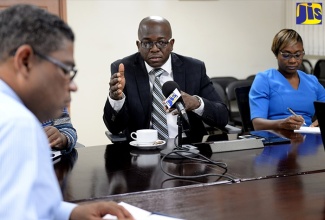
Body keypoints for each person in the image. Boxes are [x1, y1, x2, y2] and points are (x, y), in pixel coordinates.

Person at [0, 4, 133, 220]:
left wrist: (72, 213)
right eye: (65, 70)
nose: (73, 86)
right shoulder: (16, 123)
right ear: (25, 61)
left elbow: (30, 204)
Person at [103, 16, 228, 143]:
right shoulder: (125, 70)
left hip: (189, 148)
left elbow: (222, 117)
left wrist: (196, 103)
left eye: (161, 42)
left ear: (171, 44)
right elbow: (114, 128)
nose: (154, 49)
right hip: (143, 149)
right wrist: (116, 100)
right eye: (147, 43)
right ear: (138, 45)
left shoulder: (194, 68)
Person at [249, 29, 325, 131]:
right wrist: (282, 124)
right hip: (277, 139)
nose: (293, 60)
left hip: (309, 137)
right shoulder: (264, 79)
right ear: (276, 54)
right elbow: (257, 124)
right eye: (286, 55)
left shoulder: (312, 81)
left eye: (298, 55)